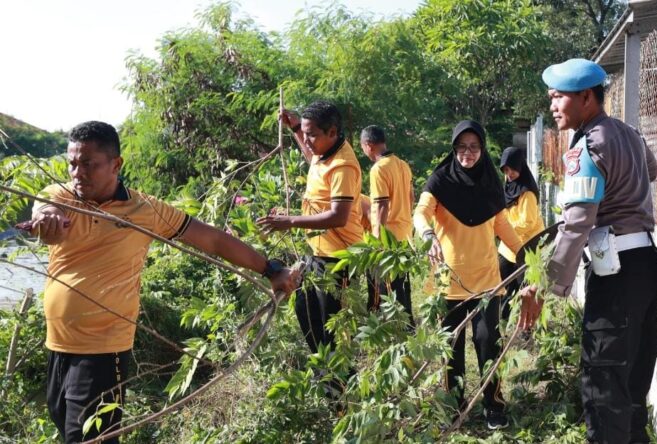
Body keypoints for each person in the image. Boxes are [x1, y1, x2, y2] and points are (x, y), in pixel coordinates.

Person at [30, 121, 297, 443]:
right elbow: (46, 211)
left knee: (86, 439)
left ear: (115, 164)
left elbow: (211, 240)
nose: (77, 173)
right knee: (66, 429)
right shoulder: (59, 195)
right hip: (58, 345)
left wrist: (270, 270)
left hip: (103, 349)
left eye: (88, 164)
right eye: (72, 163)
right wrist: (46, 220)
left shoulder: (144, 210)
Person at [520, 58, 657, 444]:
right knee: (633, 385)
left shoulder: (587, 147)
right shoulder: (629, 133)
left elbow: (577, 224)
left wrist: (544, 285)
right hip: (648, 266)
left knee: (604, 389)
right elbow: (650, 171)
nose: (552, 106)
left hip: (616, 275)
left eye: (559, 98)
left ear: (586, 97)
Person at [413, 120, 523, 430]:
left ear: (482, 149)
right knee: (452, 351)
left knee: (489, 344)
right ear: (453, 149)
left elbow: (503, 227)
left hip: (488, 283)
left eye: (474, 147)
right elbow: (421, 212)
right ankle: (454, 405)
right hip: (448, 284)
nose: (467, 153)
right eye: (461, 147)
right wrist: (426, 234)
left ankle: (494, 406)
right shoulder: (439, 182)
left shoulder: (491, 184)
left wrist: (528, 254)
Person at [258, 101, 364, 358]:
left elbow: (339, 217)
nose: (307, 140)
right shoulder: (323, 153)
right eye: (305, 133)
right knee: (306, 311)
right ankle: (323, 371)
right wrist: (295, 127)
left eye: (312, 134)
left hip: (339, 259)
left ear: (333, 132)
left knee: (333, 328)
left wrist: (291, 221)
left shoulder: (343, 166)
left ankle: (338, 384)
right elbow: (312, 157)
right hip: (316, 253)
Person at [359, 125, 415, 324]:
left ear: (369, 145)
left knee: (383, 287)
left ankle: (385, 326)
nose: (364, 152)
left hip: (388, 238)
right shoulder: (402, 165)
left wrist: (378, 239)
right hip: (405, 235)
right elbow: (411, 197)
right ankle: (407, 326)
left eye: (363, 147)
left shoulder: (379, 169)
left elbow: (382, 203)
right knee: (401, 285)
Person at [496, 146, 545, 317]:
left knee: (527, 290)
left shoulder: (527, 192)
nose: (510, 174)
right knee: (502, 288)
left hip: (528, 248)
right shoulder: (507, 188)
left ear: (521, 167)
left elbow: (528, 223)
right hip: (507, 247)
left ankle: (527, 329)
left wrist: (502, 228)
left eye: (513, 169)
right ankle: (502, 324)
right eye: (506, 170)